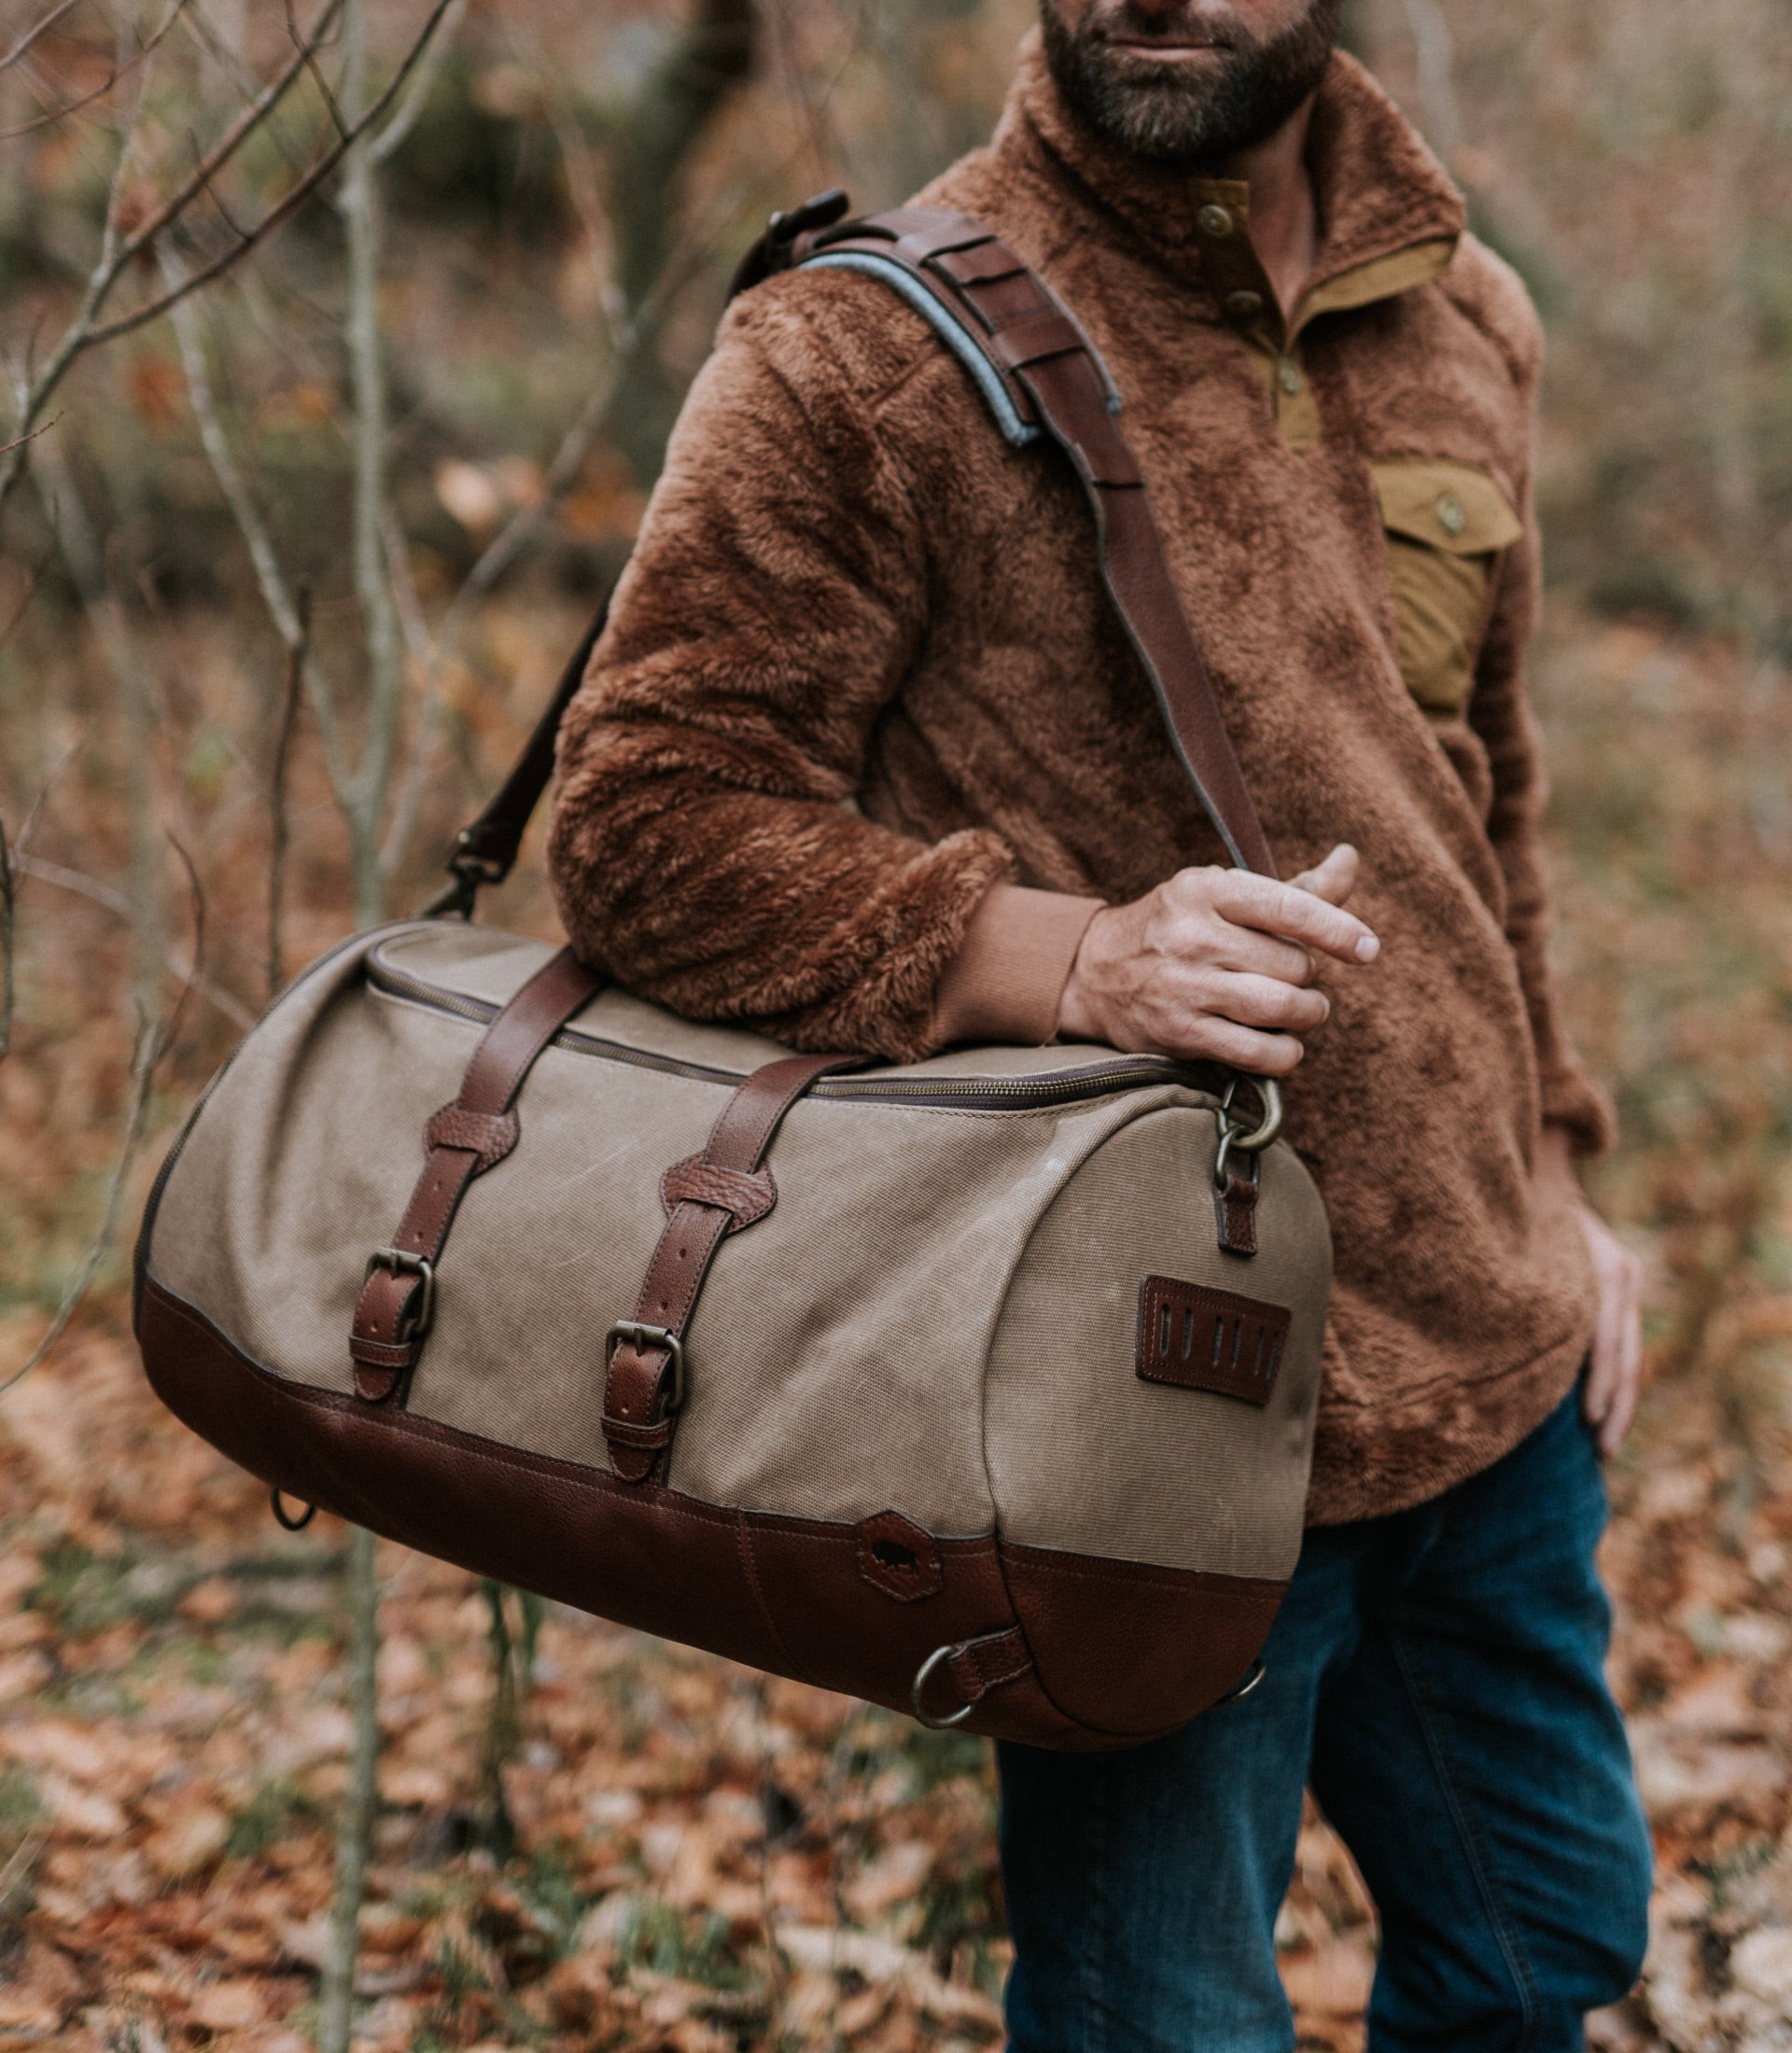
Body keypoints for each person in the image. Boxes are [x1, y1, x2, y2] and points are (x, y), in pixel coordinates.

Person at [547, 1, 1654, 2044]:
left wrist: (1564, 1172)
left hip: (1496, 1366)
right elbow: (635, 827)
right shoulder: (857, 349)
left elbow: (1485, 786)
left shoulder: (1466, 317)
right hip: (1153, 1403)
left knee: (1546, 1949)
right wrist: (1074, 959)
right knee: (1165, 2019)